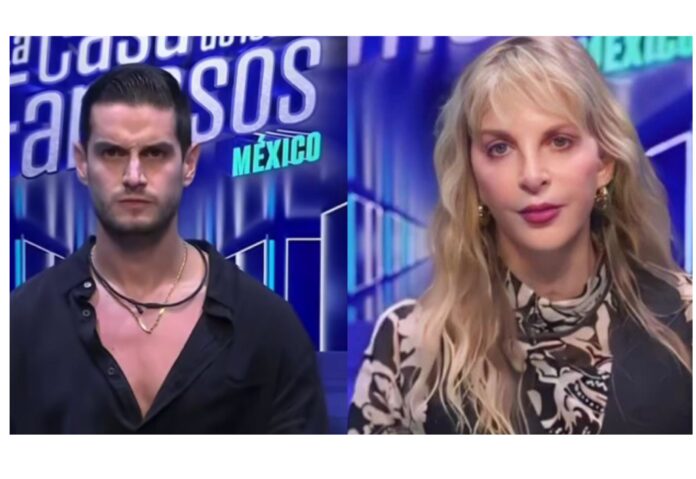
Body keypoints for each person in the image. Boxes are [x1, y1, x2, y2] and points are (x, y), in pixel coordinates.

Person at [349, 36, 692, 434]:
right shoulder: (407, 345)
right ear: (473, 178)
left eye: (559, 141)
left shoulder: (685, 316)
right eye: (500, 148)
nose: (531, 175)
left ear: (604, 163)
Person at [11, 63, 327, 433]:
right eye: (112, 153)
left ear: (189, 164)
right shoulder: (21, 323)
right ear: (82, 163)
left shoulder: (269, 327)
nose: (133, 176)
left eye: (154, 154)